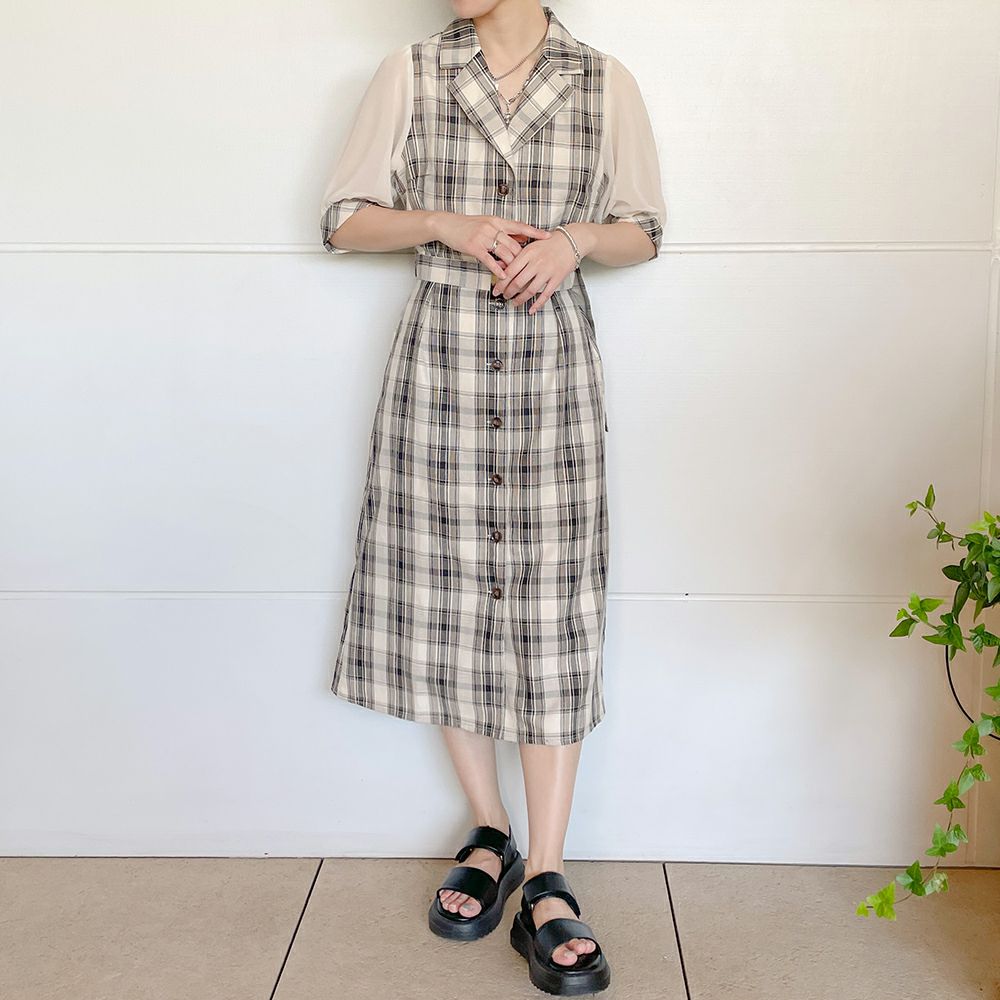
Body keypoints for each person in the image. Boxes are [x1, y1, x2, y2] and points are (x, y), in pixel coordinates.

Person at [319, 1, 665, 993]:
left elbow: (644, 230)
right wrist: (446, 223)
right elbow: (342, 218)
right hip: (442, 368)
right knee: (447, 597)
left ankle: (547, 873)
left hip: (552, 372)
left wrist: (576, 242)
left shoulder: (604, 81)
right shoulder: (411, 71)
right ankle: (491, 830)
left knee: (553, 612)